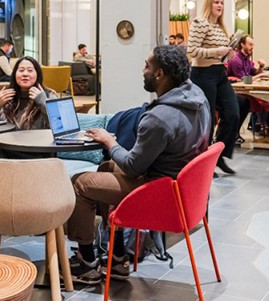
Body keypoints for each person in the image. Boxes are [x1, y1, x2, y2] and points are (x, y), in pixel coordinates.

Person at [67, 45, 210, 284]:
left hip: (160, 195)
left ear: (160, 74)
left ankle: (86, 263)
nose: (143, 70)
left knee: (79, 183)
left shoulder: (159, 118)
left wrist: (109, 141)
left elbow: (133, 167)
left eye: (146, 66)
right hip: (182, 190)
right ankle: (117, 257)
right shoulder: (198, 98)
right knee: (106, 168)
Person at [0, 56, 56, 236]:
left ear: (38, 74)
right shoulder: (9, 96)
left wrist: (42, 101)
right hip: (11, 150)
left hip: (37, 155)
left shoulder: (48, 95)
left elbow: (62, 126)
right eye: (21, 70)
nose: (25, 74)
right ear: (14, 75)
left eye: (30, 70)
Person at [188, 0, 239, 175]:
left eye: (222, 3)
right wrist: (217, 51)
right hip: (203, 73)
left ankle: (219, 155)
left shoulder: (220, 26)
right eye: (216, 2)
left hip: (219, 72)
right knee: (207, 120)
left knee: (233, 113)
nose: (220, 5)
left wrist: (227, 54)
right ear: (208, 3)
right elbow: (192, 50)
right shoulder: (200, 23)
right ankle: (204, 162)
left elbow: (218, 53)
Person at [226, 35, 269, 136]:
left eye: (253, 45)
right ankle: (261, 125)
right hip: (238, 92)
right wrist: (261, 75)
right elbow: (244, 80)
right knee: (265, 98)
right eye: (250, 44)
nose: (252, 47)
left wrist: (261, 67)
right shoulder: (235, 60)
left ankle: (264, 126)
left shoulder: (246, 58)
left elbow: (254, 72)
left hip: (246, 90)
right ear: (242, 44)